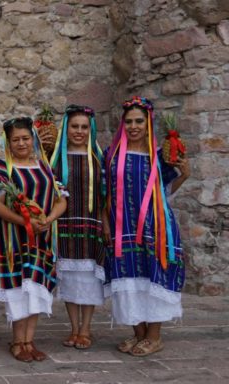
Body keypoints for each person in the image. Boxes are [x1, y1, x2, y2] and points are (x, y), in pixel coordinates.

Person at [103, 97, 189, 357]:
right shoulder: (112, 155)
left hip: (156, 227)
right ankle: (139, 334)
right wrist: (106, 223)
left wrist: (185, 174)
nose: (133, 126)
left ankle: (154, 336)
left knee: (155, 277)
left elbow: (166, 190)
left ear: (148, 123)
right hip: (122, 228)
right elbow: (106, 194)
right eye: (128, 121)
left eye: (139, 121)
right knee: (127, 278)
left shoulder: (160, 157)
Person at [0, 117, 67, 363]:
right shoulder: (1, 169)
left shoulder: (44, 167)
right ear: (8, 143)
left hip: (41, 239)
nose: (21, 143)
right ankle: (17, 341)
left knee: (36, 288)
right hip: (14, 240)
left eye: (25, 138)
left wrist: (49, 219)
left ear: (32, 139)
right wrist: (24, 222)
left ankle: (29, 340)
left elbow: (61, 199)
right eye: (16, 140)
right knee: (20, 291)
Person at [49, 105, 106, 350]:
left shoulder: (98, 160)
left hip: (91, 228)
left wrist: (105, 223)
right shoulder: (56, 160)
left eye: (84, 127)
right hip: (65, 228)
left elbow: (106, 196)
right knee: (70, 279)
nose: (79, 131)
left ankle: (86, 329)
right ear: (67, 129)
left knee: (89, 279)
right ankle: (73, 328)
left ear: (90, 130)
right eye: (74, 126)